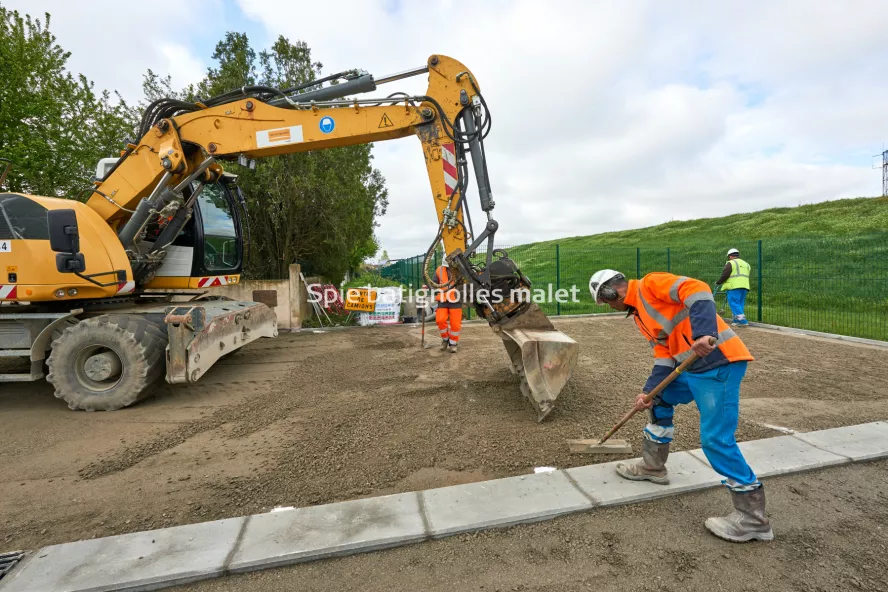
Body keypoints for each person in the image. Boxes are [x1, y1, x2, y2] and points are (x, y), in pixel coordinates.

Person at [588, 268, 774, 543]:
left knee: (715, 440)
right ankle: (653, 468)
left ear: (610, 291)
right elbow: (664, 356)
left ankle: (753, 520)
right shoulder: (639, 316)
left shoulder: (650, 285)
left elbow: (697, 288)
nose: (610, 307)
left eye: (607, 301)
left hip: (718, 364)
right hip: (693, 370)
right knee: (660, 400)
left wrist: (703, 332)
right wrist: (648, 392)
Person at [715, 248, 751, 326]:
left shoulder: (731, 263)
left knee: (734, 303)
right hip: (745, 286)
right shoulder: (746, 264)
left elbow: (725, 274)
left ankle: (742, 321)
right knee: (740, 304)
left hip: (734, 286)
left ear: (730, 256)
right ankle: (736, 320)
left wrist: (719, 282)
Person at [433, 259, 462, 353]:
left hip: (455, 299)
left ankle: (453, 343)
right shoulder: (439, 270)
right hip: (443, 299)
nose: (449, 268)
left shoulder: (460, 271)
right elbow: (434, 283)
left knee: (455, 324)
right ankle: (445, 340)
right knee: (440, 320)